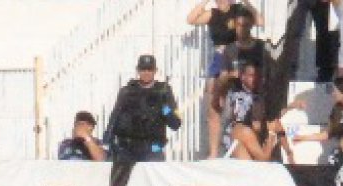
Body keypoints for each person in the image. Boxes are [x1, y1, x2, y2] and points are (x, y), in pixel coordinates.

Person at [187, 0, 260, 157]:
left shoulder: (238, 9)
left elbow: (259, 21)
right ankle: (213, 152)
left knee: (240, 102)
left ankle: (241, 144)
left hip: (239, 55)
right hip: (220, 57)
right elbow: (191, 19)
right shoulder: (213, 14)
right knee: (213, 105)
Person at [102, 54, 182, 162]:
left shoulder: (164, 91)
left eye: (150, 69)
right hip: (128, 148)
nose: (146, 72)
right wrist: (107, 140)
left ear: (155, 70)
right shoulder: (127, 91)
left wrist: (163, 107)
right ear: (138, 70)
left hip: (153, 148)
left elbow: (176, 123)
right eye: (143, 69)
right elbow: (115, 116)